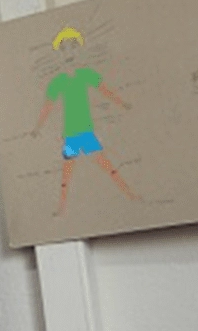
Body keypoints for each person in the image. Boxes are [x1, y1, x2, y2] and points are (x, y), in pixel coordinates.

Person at [32, 25, 137, 215]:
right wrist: (37, 128)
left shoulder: (86, 74)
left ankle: (130, 195)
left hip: (86, 131)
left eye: (73, 46)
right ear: (59, 53)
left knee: (107, 166)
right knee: (66, 174)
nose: (69, 52)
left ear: (80, 49)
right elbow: (48, 106)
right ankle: (61, 208)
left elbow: (105, 91)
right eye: (64, 48)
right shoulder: (59, 82)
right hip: (71, 135)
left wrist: (122, 104)